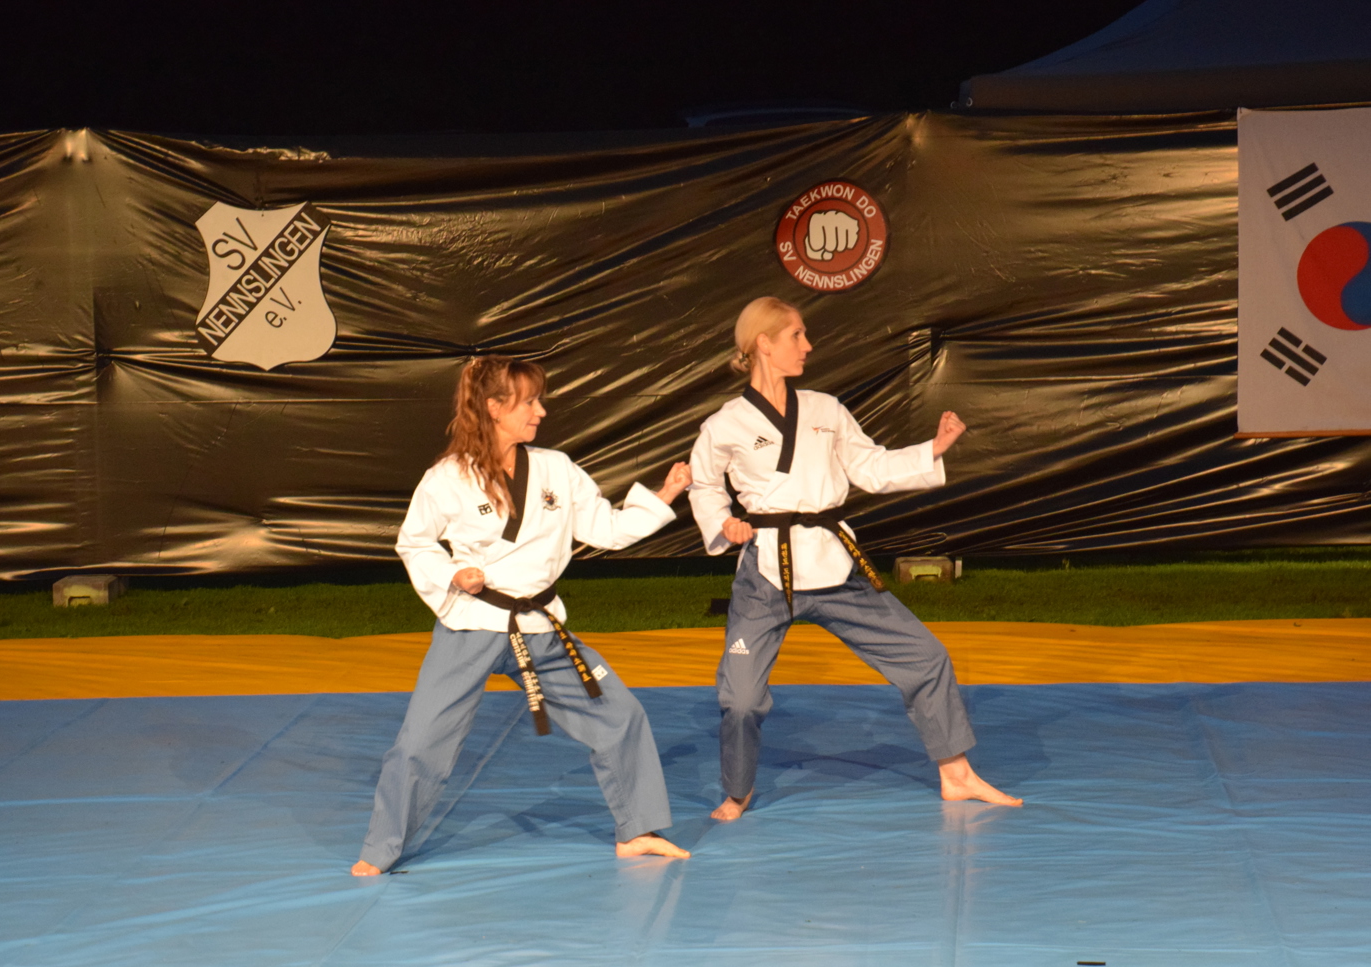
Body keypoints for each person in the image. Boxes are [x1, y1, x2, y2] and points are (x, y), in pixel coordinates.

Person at [352, 356, 692, 876]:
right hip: (473, 624)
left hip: (540, 627)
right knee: (421, 741)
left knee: (619, 715)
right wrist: (453, 574)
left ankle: (637, 830)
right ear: (494, 407)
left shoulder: (556, 468)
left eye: (538, 400)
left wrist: (663, 497)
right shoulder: (447, 478)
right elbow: (414, 542)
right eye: (529, 402)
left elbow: (605, 527)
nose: (541, 411)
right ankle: (379, 850)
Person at [688, 297, 1022, 822]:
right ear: (764, 344)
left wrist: (933, 449)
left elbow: (870, 467)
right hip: (767, 573)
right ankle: (737, 791)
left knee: (926, 657)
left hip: (834, 565)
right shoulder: (725, 424)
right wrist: (723, 522)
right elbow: (704, 485)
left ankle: (956, 774)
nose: (808, 345)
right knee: (742, 699)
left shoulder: (825, 409)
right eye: (797, 335)